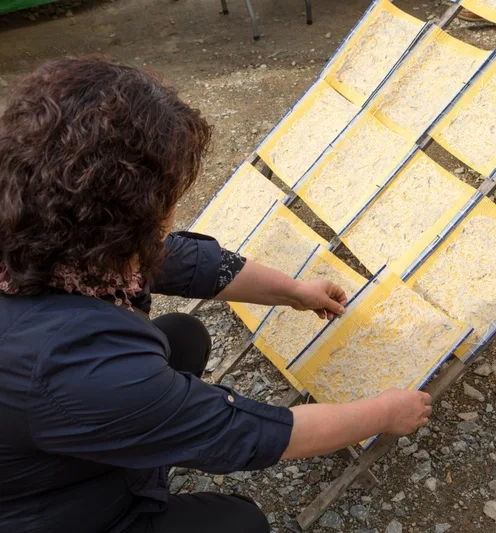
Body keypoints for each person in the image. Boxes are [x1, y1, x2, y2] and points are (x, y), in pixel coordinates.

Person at [0, 57, 433, 533]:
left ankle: (135, 451)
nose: (171, 212)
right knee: (239, 524)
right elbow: (244, 432)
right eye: (167, 198)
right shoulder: (77, 366)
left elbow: (182, 261)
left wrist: (294, 292)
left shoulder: (42, 235)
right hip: (46, 514)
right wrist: (382, 412)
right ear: (123, 214)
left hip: (39, 444)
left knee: (183, 336)